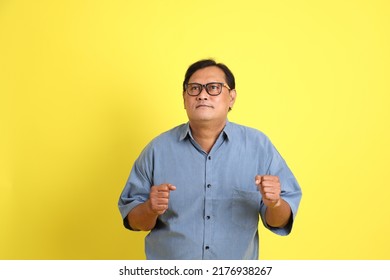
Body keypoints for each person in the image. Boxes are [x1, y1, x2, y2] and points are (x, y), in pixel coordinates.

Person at [118, 59, 302, 260]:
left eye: (213, 88)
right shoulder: (157, 150)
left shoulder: (259, 147)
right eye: (194, 88)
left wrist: (275, 203)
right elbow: (134, 222)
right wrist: (150, 208)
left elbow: (280, 221)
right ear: (184, 97)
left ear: (231, 98)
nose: (202, 95)